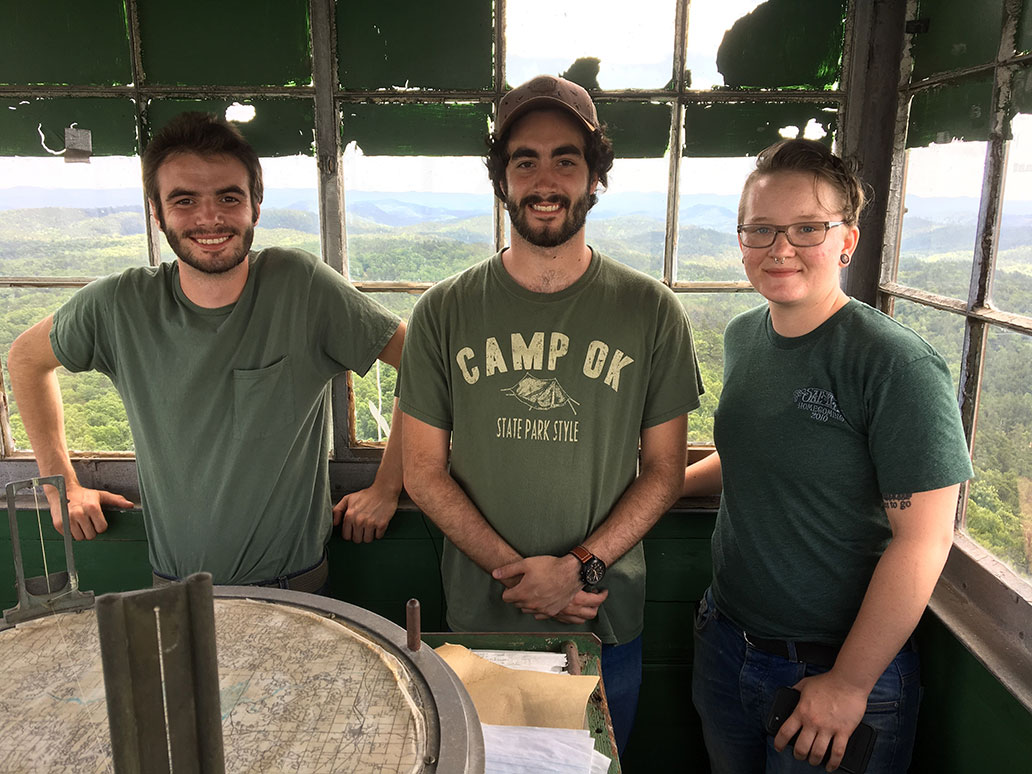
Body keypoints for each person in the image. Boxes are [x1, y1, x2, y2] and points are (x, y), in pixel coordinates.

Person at [399, 74, 703, 754]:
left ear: (596, 175)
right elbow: (422, 471)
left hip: (601, 620)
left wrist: (578, 569)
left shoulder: (651, 312)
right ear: (500, 177)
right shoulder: (443, 312)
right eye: (524, 159)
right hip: (478, 622)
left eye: (567, 158)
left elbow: (662, 471)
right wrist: (522, 576)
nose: (545, 179)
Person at [7, 112, 406, 592]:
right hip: (174, 584)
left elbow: (422, 364)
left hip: (296, 582)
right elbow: (26, 360)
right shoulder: (120, 304)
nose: (209, 218)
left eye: (228, 197)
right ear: (157, 213)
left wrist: (388, 486)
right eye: (184, 200)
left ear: (255, 207)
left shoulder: (300, 287)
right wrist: (61, 486)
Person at [683, 138, 973, 773]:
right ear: (740, 240)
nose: (780, 248)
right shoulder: (744, 336)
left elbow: (923, 541)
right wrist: (665, 484)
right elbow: (751, 454)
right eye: (760, 230)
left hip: (835, 669)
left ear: (848, 240)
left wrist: (848, 684)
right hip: (727, 639)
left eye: (807, 228)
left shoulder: (893, 363)